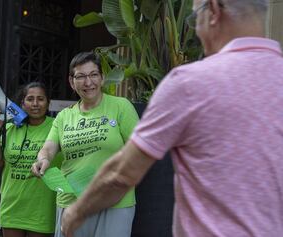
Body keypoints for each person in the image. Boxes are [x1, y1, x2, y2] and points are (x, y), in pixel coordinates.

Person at [60, 0, 283, 237]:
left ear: (214, 11)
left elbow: (122, 173)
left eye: (195, 18)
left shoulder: (191, 83)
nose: (196, 30)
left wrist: (76, 213)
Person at [31, 52, 139, 237]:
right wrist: (43, 160)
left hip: (113, 201)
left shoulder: (121, 107)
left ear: (102, 78)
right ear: (72, 82)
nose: (88, 82)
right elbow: (49, 147)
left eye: (93, 74)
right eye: (80, 76)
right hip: (72, 203)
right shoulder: (64, 116)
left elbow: (139, 151)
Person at [0, 82, 62, 237]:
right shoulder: (9, 128)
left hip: (41, 208)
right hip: (12, 206)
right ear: (21, 103)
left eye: (40, 99)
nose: (35, 104)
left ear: (48, 103)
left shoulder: (57, 127)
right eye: (30, 99)